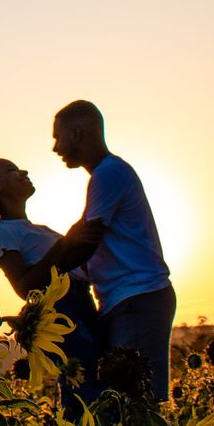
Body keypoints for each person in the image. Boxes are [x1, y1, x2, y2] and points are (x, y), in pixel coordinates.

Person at [0, 158, 105, 404]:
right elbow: (25, 286)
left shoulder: (35, 229)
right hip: (63, 311)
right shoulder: (3, 233)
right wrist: (66, 243)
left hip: (82, 303)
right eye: (11, 170)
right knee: (84, 388)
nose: (23, 171)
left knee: (97, 380)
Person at [52, 100, 175, 402]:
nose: (55, 148)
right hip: (127, 300)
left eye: (58, 137)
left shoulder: (109, 174)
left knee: (136, 404)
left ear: (77, 134)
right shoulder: (107, 174)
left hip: (137, 297)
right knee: (123, 403)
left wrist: (47, 275)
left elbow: (87, 239)